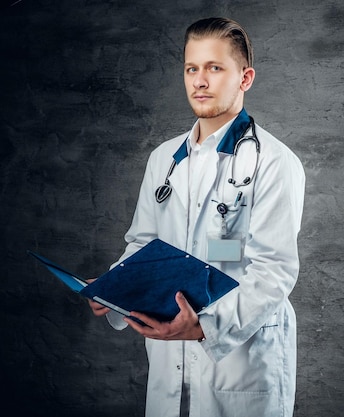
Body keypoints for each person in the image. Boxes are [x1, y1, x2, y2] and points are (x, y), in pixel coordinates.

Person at [88, 17, 305, 417]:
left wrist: (206, 327)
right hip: (171, 361)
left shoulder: (274, 163)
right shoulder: (163, 160)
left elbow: (274, 269)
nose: (199, 81)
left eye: (214, 68)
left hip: (242, 364)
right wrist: (113, 288)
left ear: (245, 78)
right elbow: (143, 244)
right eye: (192, 68)